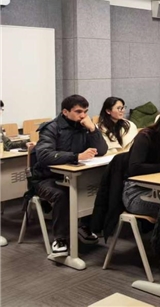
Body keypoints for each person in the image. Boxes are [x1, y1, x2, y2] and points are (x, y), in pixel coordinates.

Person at [31, 95, 108, 256]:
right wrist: (76, 156)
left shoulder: (84, 126)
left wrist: (93, 129)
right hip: (46, 178)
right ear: (65, 112)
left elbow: (101, 150)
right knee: (63, 194)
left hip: (71, 175)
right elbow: (44, 155)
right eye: (78, 111)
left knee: (92, 188)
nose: (83, 116)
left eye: (85, 111)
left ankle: (84, 227)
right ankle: (60, 239)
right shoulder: (51, 128)